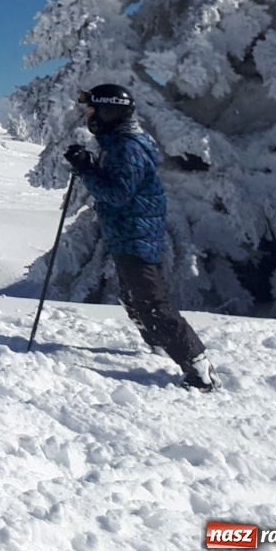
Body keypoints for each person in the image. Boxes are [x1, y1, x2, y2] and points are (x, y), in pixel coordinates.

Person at [65, 84, 217, 391]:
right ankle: (159, 344)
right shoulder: (119, 144)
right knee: (134, 298)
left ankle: (197, 365)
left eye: (94, 111)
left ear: (110, 113)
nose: (89, 117)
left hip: (136, 235)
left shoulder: (127, 147)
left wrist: (86, 170)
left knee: (150, 302)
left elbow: (117, 193)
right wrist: (90, 165)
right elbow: (121, 183)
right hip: (129, 234)